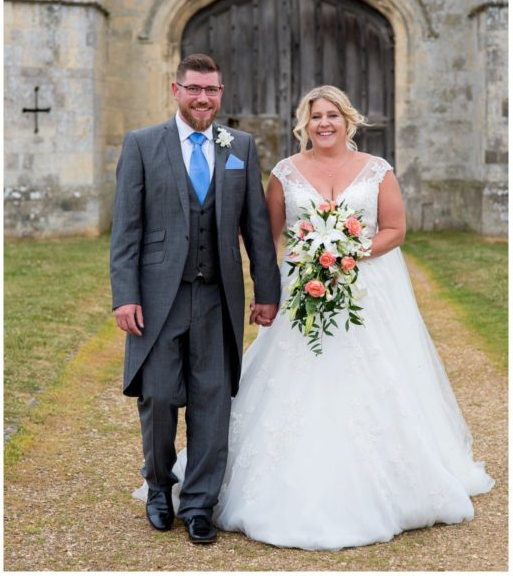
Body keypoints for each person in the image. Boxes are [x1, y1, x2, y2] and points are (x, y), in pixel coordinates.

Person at [174, 85, 494, 550]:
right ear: (305, 124)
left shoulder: (377, 170)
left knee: (378, 376)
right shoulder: (285, 172)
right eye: (316, 116)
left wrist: (345, 252)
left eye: (333, 115)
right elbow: (266, 236)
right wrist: (282, 277)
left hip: (366, 289)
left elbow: (395, 229)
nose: (324, 123)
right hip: (303, 289)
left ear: (348, 120)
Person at [110, 54, 281, 544]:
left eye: (211, 90)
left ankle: (200, 504)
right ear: (176, 89)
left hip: (217, 297)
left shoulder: (240, 146)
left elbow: (256, 230)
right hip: (158, 298)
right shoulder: (143, 144)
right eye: (194, 89)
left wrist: (265, 291)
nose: (203, 98)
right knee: (159, 396)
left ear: (221, 93)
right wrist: (126, 296)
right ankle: (160, 486)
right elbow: (127, 228)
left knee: (212, 401)